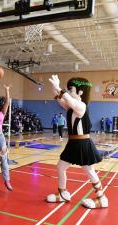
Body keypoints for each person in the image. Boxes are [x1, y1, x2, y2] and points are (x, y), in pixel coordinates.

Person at [47, 75, 108, 209]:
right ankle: (63, 193)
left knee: (89, 171)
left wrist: (59, 88)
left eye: (71, 89)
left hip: (83, 143)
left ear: (80, 91)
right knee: (61, 167)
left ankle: (101, 198)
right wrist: (54, 88)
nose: (68, 92)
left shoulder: (81, 106)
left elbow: (69, 100)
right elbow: (60, 99)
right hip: (73, 143)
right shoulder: (70, 107)